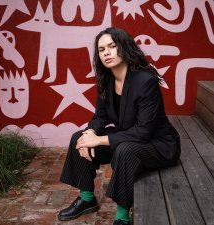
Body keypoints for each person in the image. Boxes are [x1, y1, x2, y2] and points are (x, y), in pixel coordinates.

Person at [58, 27, 181, 225]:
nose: (106, 52)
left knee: (124, 150)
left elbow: (144, 131)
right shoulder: (105, 79)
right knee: (78, 138)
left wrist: (98, 139)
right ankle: (87, 198)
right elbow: (100, 116)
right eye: (101, 49)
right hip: (129, 135)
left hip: (159, 143)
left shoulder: (145, 80)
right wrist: (90, 133)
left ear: (124, 47)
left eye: (112, 46)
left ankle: (122, 217)